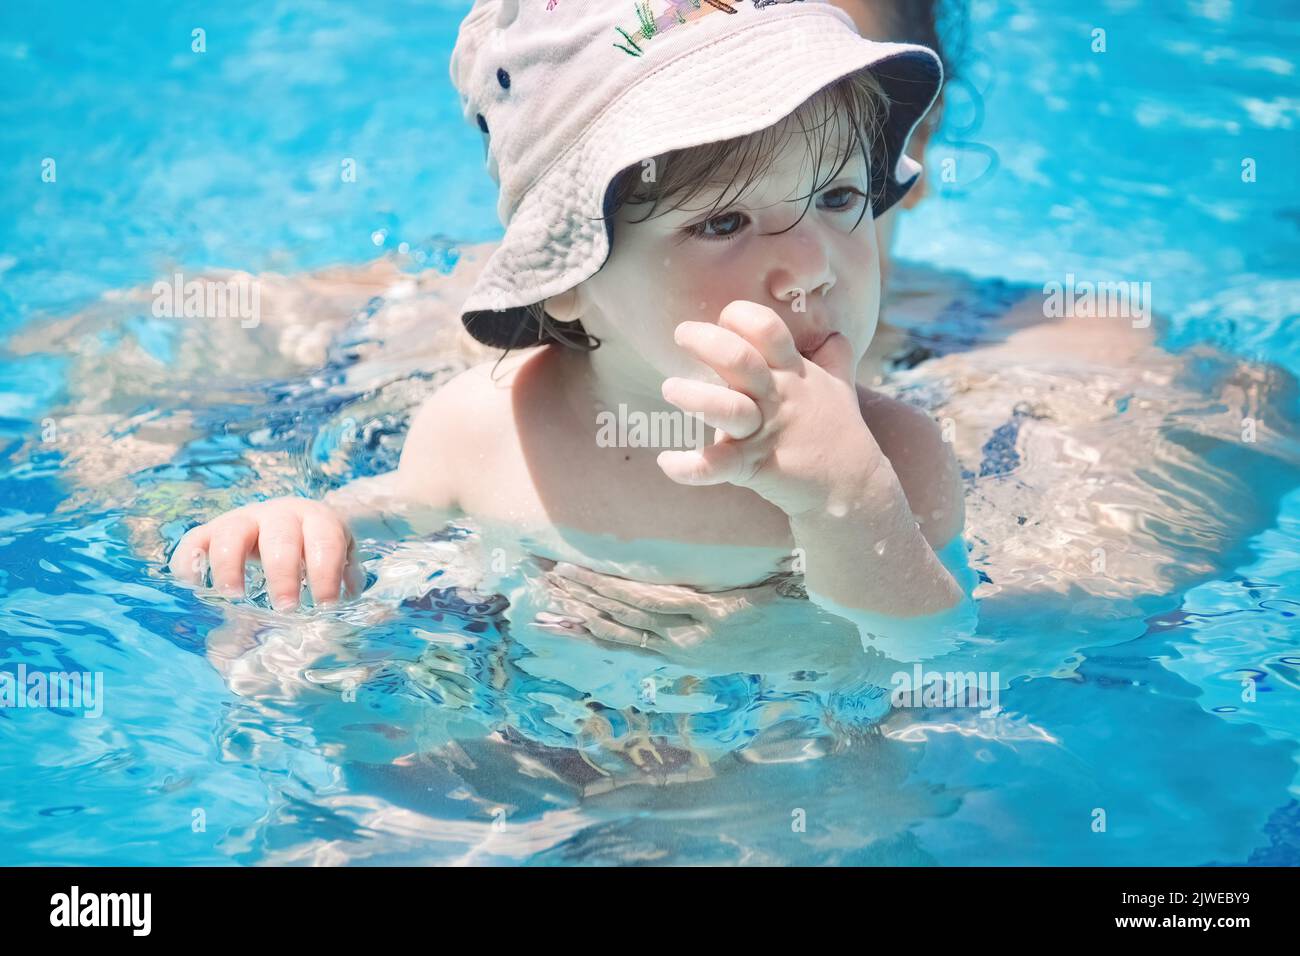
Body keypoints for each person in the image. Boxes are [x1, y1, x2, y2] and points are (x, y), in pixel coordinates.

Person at [168, 0, 974, 644]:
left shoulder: (894, 455)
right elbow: (399, 524)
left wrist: (849, 502)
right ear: (567, 279)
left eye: (838, 199)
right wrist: (309, 521)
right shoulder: (491, 426)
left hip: (778, 761)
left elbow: (920, 645)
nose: (811, 265)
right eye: (723, 223)